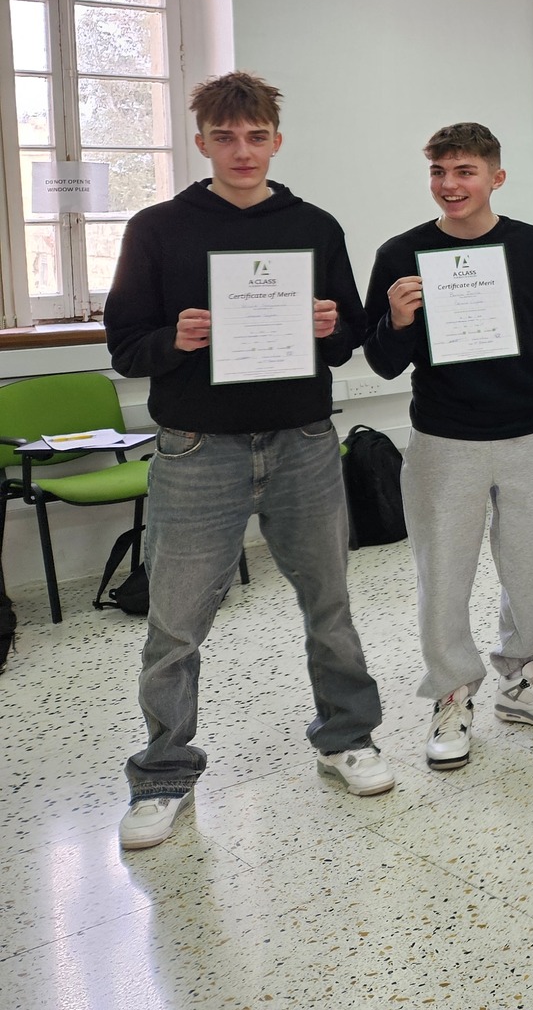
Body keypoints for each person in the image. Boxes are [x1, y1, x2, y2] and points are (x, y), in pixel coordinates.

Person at [106, 72, 388, 851]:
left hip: (303, 442)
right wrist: (175, 340)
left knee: (329, 604)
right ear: (201, 141)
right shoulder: (157, 228)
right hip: (198, 449)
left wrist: (332, 327)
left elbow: (349, 335)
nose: (241, 151)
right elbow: (126, 345)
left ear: (276, 141)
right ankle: (163, 772)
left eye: (256, 136)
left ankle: (347, 738)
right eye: (225, 137)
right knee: (176, 622)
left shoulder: (314, 226)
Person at [364, 122, 533, 771]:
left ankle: (523, 677)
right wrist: (397, 320)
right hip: (444, 438)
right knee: (443, 574)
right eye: (439, 172)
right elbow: (381, 361)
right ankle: (452, 694)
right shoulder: (401, 253)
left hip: (532, 435)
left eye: (465, 171)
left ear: (496, 176)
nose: (450, 184)